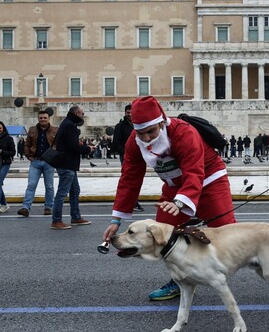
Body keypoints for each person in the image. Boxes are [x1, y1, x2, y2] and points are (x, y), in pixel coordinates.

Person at [101, 96, 238, 301]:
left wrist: (181, 202)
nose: (146, 138)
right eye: (141, 133)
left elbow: (194, 171)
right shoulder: (134, 141)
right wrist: (116, 220)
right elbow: (129, 178)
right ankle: (178, 280)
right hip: (175, 187)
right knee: (164, 235)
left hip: (209, 179)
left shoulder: (184, 132)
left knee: (227, 234)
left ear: (162, 122)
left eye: (151, 132)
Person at [50, 105, 94, 230]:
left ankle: (75, 216)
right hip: (67, 164)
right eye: (82, 113)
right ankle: (56, 220)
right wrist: (87, 148)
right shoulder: (70, 125)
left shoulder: (67, 123)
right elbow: (73, 147)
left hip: (69, 164)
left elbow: (70, 144)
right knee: (62, 192)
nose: (83, 116)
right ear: (76, 113)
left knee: (75, 191)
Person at [18, 110, 57, 217]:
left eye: (45, 118)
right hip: (35, 161)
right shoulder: (32, 130)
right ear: (38, 118)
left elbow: (58, 145)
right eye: (41, 118)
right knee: (31, 185)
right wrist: (28, 156)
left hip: (49, 162)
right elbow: (27, 144)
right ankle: (26, 207)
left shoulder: (55, 130)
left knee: (49, 186)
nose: (43, 119)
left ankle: (48, 207)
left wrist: (55, 157)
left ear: (48, 118)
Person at [113, 104, 144, 211]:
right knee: (129, 179)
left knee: (137, 179)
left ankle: (133, 201)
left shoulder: (138, 125)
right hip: (127, 156)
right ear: (125, 113)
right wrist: (125, 153)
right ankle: (132, 202)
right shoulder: (120, 126)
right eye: (128, 112)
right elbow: (116, 143)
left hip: (139, 156)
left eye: (131, 112)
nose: (130, 114)